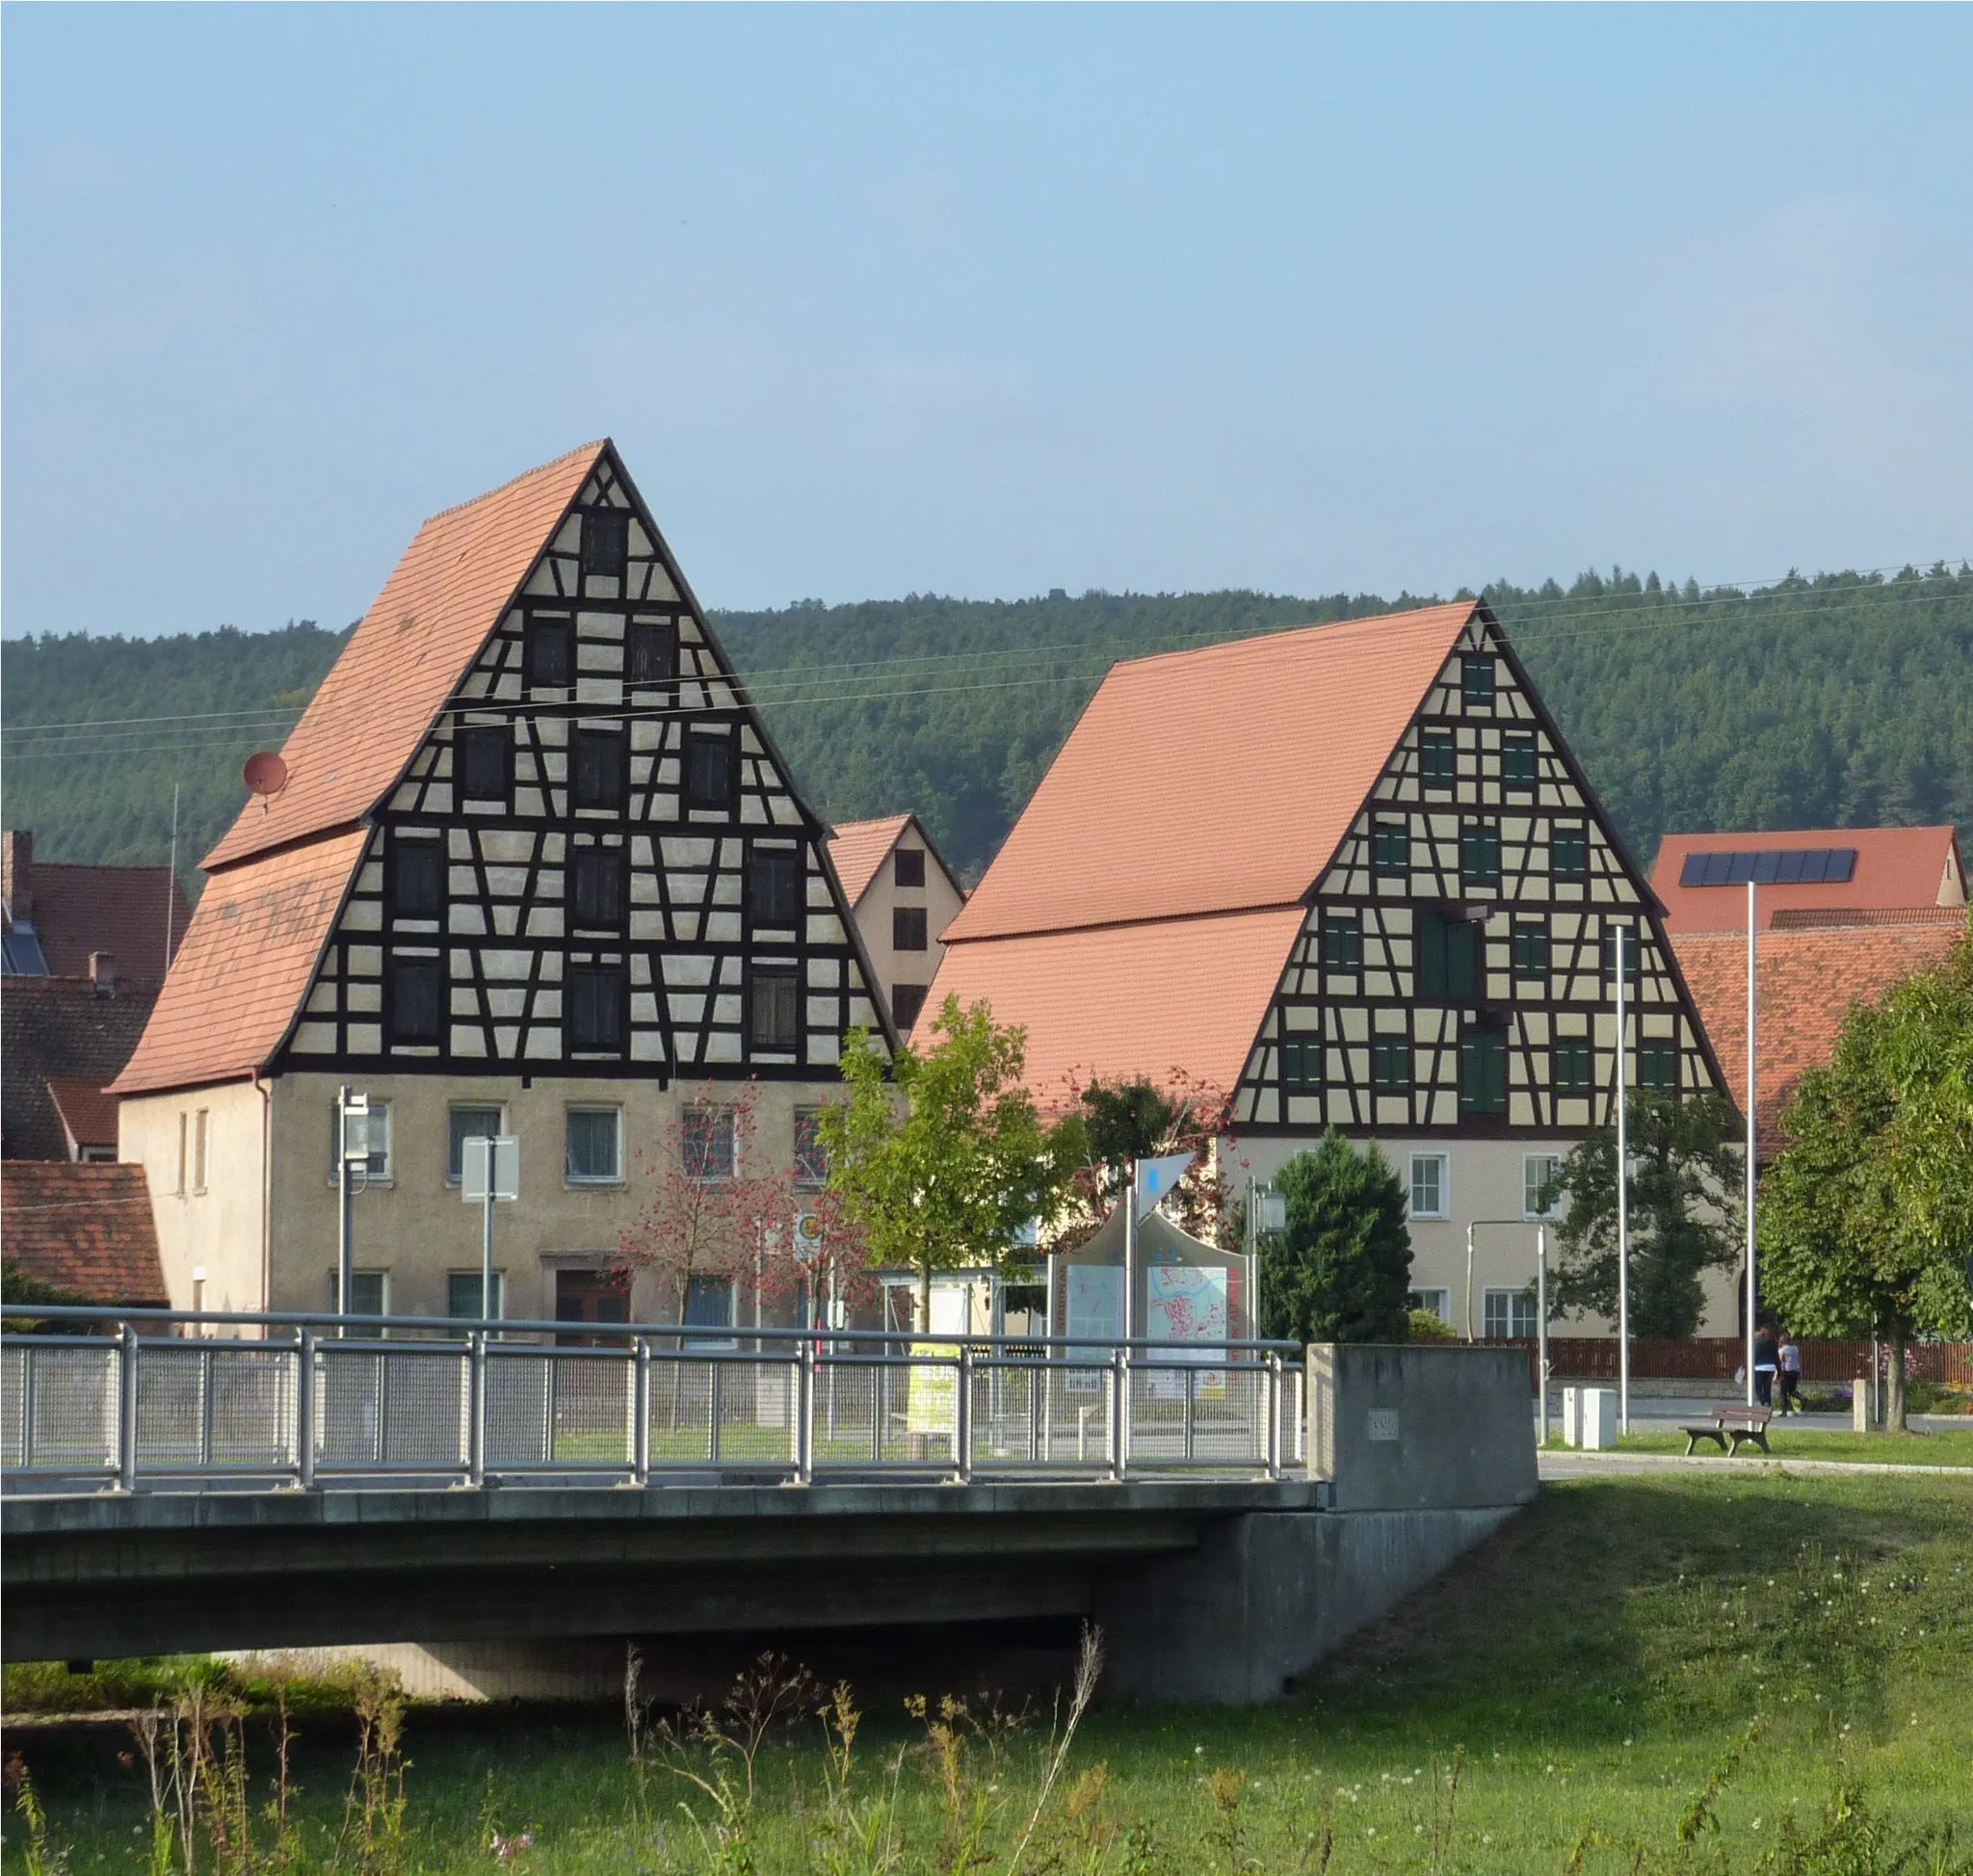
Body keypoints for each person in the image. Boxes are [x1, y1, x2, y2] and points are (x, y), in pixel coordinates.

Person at [1752, 1323, 1779, 1410]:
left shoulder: (1758, 1342)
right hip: (1771, 1367)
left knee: (1758, 1388)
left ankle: (1764, 1403)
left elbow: (1756, 1354)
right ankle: (1768, 1404)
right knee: (1767, 1388)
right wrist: (1779, 1370)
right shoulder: (1773, 1342)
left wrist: (1752, 1364)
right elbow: (1776, 1356)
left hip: (1759, 1367)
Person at [1778, 1333, 1803, 1415]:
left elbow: (1781, 1361)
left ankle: (1784, 1411)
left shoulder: (1782, 1350)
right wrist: (1800, 1371)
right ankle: (1802, 1398)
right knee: (1792, 1391)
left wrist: (1779, 1373)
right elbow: (1798, 1360)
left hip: (1786, 1372)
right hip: (1795, 1371)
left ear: (1782, 1341)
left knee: (1783, 1392)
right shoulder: (1795, 1348)